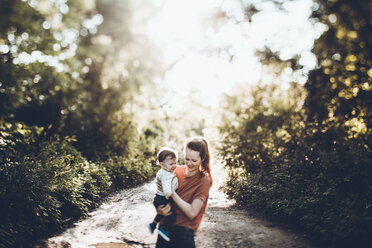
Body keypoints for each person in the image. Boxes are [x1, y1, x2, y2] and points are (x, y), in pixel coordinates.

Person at [155, 137, 213, 248]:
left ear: (202, 158)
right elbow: (160, 194)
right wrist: (159, 209)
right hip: (164, 226)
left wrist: (172, 193)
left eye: (194, 160)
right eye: (187, 159)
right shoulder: (174, 171)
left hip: (184, 230)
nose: (189, 163)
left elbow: (192, 213)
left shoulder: (204, 180)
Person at [148, 147, 179, 242]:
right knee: (171, 214)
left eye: (175, 163)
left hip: (159, 198)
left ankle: (153, 224)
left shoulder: (165, 171)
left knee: (162, 213)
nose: (174, 166)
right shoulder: (166, 174)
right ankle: (164, 230)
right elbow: (166, 185)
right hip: (163, 197)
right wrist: (168, 194)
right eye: (171, 164)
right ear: (162, 164)